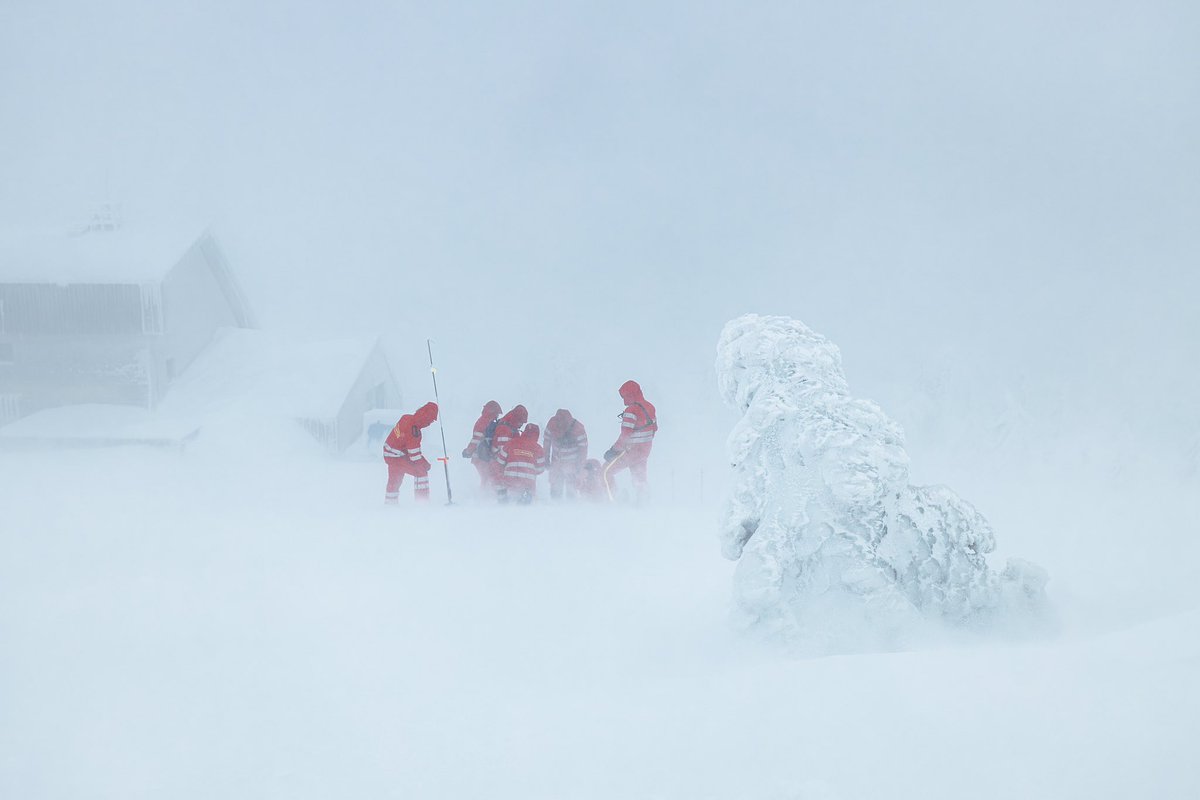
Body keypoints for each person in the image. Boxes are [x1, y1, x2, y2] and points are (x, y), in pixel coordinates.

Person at [602, 380, 657, 502]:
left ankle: (614, 500)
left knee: (605, 472)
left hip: (631, 451)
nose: (623, 401)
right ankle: (643, 502)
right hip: (645, 451)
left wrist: (613, 451)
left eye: (624, 396)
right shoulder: (650, 407)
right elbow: (655, 429)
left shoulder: (631, 411)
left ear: (631, 395)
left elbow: (625, 435)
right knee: (639, 478)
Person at [383, 402, 438, 503]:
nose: (429, 424)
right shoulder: (414, 431)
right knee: (421, 472)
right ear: (425, 418)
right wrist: (425, 464)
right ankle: (422, 502)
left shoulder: (406, 418)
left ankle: (390, 504)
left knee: (395, 479)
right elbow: (414, 456)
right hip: (397, 456)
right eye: (430, 421)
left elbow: (404, 444)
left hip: (389, 452)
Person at [544, 408, 588, 500]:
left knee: (571, 490)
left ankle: (570, 507)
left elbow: (583, 450)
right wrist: (546, 459)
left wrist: (579, 466)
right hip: (557, 462)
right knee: (556, 488)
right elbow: (546, 442)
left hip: (572, 463)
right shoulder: (552, 424)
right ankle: (555, 505)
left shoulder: (578, 428)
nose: (560, 426)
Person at [496, 423, 546, 504]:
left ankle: (503, 502)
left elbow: (500, 461)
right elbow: (540, 469)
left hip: (509, 480)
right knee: (525, 509)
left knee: (502, 487)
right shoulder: (538, 448)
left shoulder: (511, 443)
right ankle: (525, 500)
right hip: (527, 483)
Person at [462, 400, 503, 488]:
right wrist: (469, 451)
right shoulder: (485, 422)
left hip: (482, 456)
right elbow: (476, 439)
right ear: (493, 412)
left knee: (487, 478)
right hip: (481, 456)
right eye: (497, 414)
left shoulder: (484, 421)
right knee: (487, 478)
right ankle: (483, 498)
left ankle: (485, 496)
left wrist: (468, 451)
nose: (497, 416)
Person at [489, 404, 528, 489]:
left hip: (502, 463)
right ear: (517, 419)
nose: (521, 425)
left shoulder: (511, 427)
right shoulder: (505, 429)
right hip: (499, 463)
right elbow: (503, 451)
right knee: (500, 486)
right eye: (521, 422)